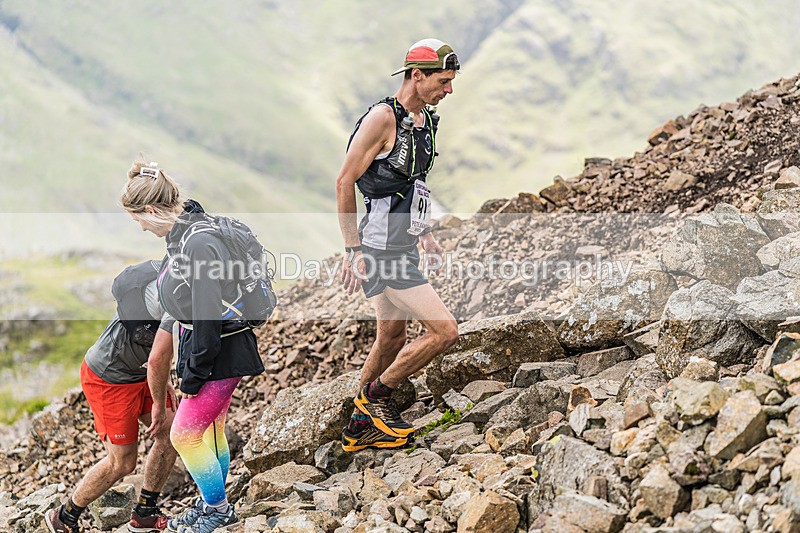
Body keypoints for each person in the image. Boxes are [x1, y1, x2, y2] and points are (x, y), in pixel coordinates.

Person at [120, 161, 265, 533]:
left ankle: (217, 510)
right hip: (218, 348)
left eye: (138, 219)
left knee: (184, 434)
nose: (138, 226)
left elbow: (206, 315)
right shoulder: (185, 232)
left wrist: (193, 374)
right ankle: (209, 503)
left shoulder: (198, 242)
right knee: (211, 429)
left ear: (152, 210)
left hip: (220, 351)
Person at [335, 39, 461, 452]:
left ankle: (357, 427)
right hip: (379, 249)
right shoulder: (382, 119)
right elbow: (344, 181)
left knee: (390, 336)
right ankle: (376, 402)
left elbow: (411, 182)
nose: (449, 90)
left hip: (402, 242)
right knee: (444, 331)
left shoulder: (424, 119)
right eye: (443, 81)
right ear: (416, 75)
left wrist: (421, 231)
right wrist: (353, 252)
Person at [45, 261, 179, 533]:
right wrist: (159, 392)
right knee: (123, 462)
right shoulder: (178, 295)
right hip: (108, 377)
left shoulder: (188, 286)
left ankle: (145, 513)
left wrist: (162, 382)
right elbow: (157, 358)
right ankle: (65, 515)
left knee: (172, 431)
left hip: (141, 370)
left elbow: (158, 353)